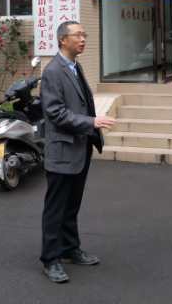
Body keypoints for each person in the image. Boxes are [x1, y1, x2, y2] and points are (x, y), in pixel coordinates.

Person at [39, 20, 115, 284]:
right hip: (62, 151)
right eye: (78, 35)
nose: (83, 39)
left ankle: (70, 248)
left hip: (79, 148)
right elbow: (56, 113)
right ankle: (50, 259)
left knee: (72, 205)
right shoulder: (53, 71)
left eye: (84, 34)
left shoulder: (75, 66)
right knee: (56, 208)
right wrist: (91, 122)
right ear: (63, 40)